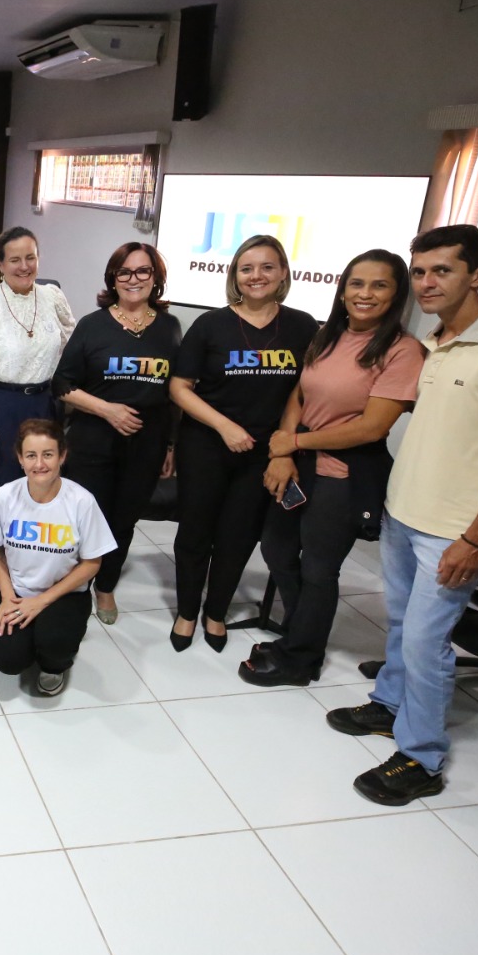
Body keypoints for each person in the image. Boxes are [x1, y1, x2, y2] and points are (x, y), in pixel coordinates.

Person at [326, 225, 478, 805]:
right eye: (420, 271)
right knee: (401, 624)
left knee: (428, 641)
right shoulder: (436, 337)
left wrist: (476, 538)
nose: (426, 282)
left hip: (456, 529)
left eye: (441, 271)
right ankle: (390, 706)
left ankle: (421, 756)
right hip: (405, 511)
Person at [241, 251, 424, 688]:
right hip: (299, 465)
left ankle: (300, 659)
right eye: (356, 284)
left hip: (344, 476)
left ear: (396, 294)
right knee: (277, 549)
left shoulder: (403, 352)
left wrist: (295, 442)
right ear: (342, 290)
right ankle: (302, 633)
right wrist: (283, 453)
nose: (365, 294)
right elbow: (299, 395)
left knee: (319, 569)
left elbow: (372, 426)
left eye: (379, 285)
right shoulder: (327, 336)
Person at [168, 234, 316, 652]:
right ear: (234, 275)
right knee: (195, 533)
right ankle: (186, 612)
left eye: (267, 267)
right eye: (246, 268)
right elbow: (180, 388)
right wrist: (224, 427)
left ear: (283, 272)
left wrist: (283, 445)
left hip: (262, 455)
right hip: (207, 446)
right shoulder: (211, 325)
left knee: (238, 537)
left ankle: (216, 612)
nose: (256, 276)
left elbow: (302, 391)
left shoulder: (302, 326)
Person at [53, 242, 180, 625]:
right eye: (124, 272)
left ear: (155, 278)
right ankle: (72, 582)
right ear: (113, 278)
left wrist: (171, 443)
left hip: (147, 442)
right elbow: (62, 384)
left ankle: (105, 585)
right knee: (85, 518)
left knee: (124, 519)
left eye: (143, 271)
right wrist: (107, 410)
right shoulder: (92, 325)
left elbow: (175, 391)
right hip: (93, 440)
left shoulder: (170, 328)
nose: (133, 279)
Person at [0, 226, 76, 604]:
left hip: (44, 406)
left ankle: (27, 569)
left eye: (31, 257)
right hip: (0, 409)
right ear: (0, 265)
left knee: (39, 494)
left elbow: (72, 344)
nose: (24, 266)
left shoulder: (53, 296)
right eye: (15, 259)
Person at [0, 419, 115, 696]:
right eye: (31, 455)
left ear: (62, 456)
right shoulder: (5, 496)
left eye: (48, 454)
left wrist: (41, 602)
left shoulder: (81, 501)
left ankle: (54, 665)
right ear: (20, 458)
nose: (39, 464)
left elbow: (92, 563)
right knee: (9, 661)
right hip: (16, 590)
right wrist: (7, 596)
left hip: (63, 594)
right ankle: (30, 640)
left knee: (54, 642)